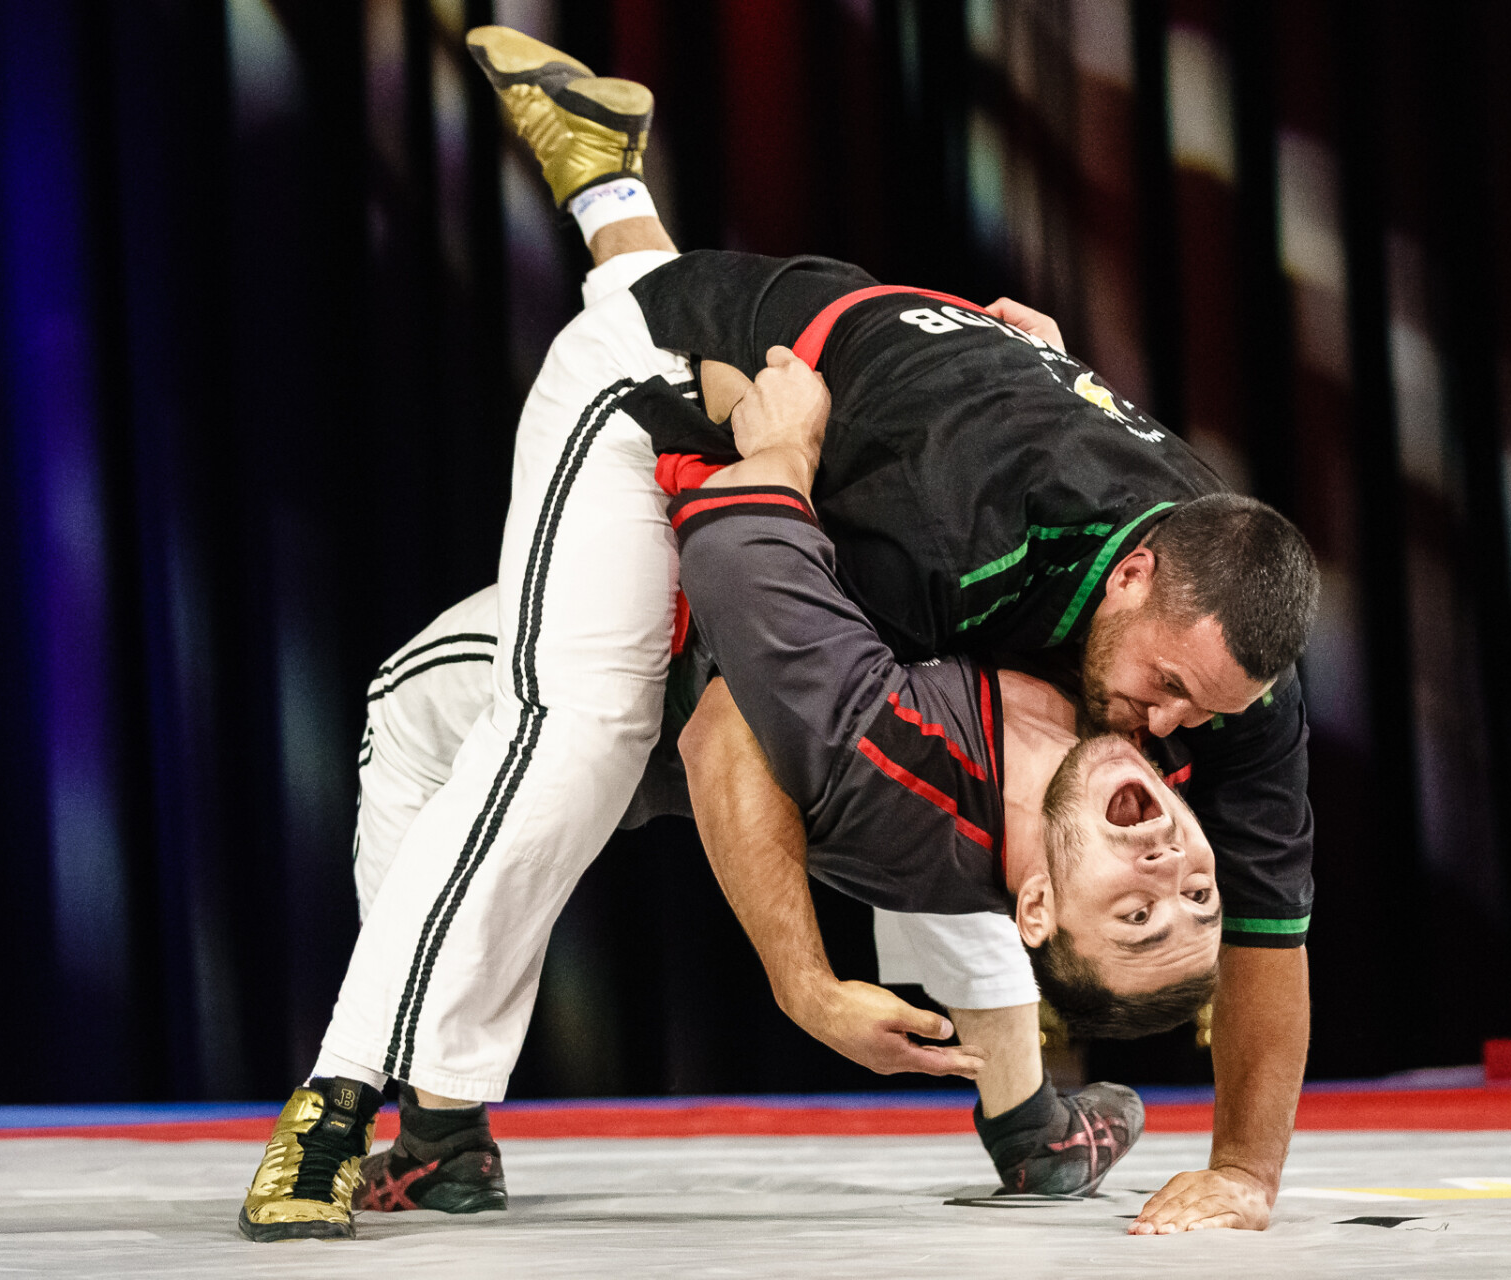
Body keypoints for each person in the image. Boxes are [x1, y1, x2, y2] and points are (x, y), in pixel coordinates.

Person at [239, 24, 1318, 1242]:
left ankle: (607, 188)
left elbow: (1265, 925)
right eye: (1169, 688)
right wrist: (807, 987)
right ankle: (346, 1097)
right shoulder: (948, 534)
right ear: (1130, 577)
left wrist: (1246, 1170)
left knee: (1003, 787)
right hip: (691, 398)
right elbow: (726, 722)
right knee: (581, 724)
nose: (1173, 729)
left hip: (861, 396)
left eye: (1200, 714)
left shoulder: (1228, 646)